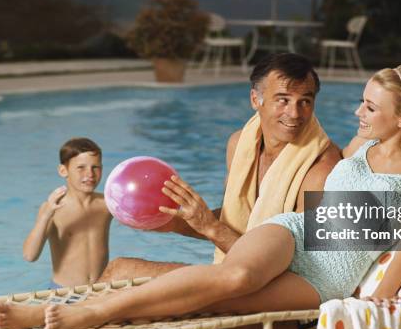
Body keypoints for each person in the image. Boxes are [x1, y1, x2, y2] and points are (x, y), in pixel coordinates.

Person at [0, 64, 401, 329]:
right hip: (295, 233)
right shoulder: (359, 149)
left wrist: (372, 308)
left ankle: (56, 316)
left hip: (329, 275)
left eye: (371, 107)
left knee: (216, 299)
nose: (358, 112)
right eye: (363, 101)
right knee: (231, 274)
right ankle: (82, 313)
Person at [98, 52, 340, 277]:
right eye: (283, 100)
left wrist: (210, 226)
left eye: (305, 101)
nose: (295, 113)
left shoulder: (323, 169)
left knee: (120, 271)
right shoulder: (240, 144)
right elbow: (232, 223)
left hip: (275, 294)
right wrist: (175, 222)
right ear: (255, 99)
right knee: (117, 272)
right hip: (237, 274)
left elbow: (299, 271)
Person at [23, 137, 112, 288]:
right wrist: (47, 214)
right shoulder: (53, 208)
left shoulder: (107, 204)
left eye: (95, 167)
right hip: (64, 292)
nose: (90, 174)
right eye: (81, 167)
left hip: (99, 290)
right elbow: (30, 255)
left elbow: (141, 221)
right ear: (63, 170)